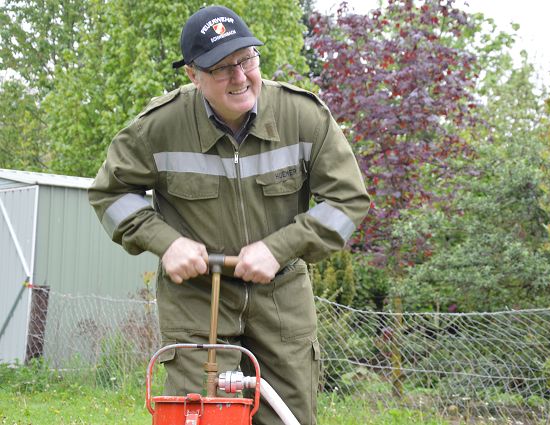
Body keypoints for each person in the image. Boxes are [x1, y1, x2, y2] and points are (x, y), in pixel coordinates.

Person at [88, 5, 369, 425]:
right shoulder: (159, 127)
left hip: (282, 294)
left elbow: (348, 201)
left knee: (288, 417)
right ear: (193, 75)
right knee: (201, 416)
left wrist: (279, 248)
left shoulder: (303, 117)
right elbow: (109, 194)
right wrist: (167, 244)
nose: (240, 77)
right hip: (198, 298)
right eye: (221, 68)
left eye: (246, 60)